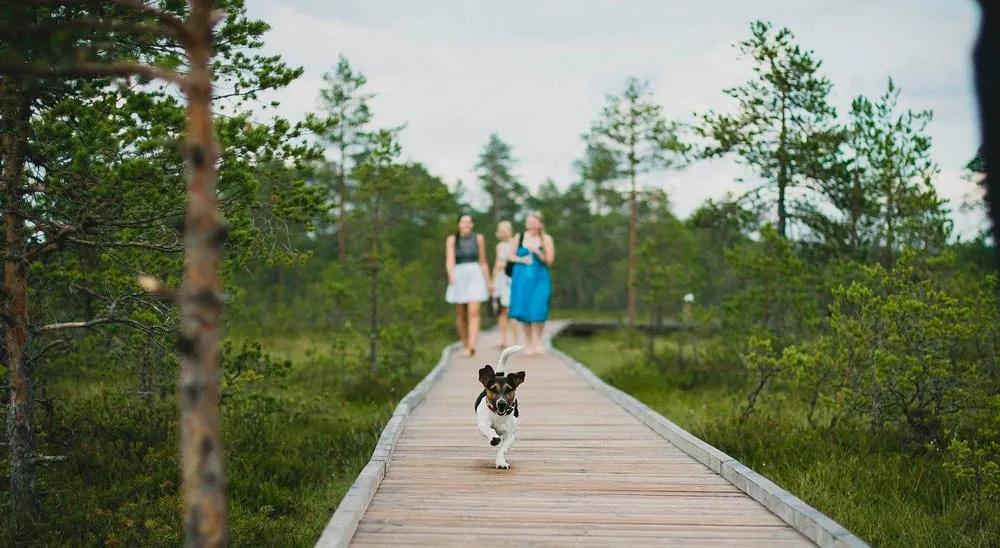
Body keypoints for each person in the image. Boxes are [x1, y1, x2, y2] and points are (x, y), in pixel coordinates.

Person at [508, 211, 554, 355]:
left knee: (539, 308)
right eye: (529, 223)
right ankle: (529, 342)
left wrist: (538, 253)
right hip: (521, 278)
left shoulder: (546, 239)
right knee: (525, 309)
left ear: (540, 224)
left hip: (540, 277)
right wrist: (521, 259)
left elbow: (550, 261)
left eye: (535, 223)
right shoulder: (519, 237)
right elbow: (510, 256)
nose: (532, 226)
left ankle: (537, 339)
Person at [445, 214, 492, 357]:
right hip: (459, 274)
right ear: (458, 224)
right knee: (461, 314)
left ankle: (472, 344)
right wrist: (451, 275)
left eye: (468, 222)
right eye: (463, 222)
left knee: (474, 311)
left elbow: (483, 261)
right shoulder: (452, 240)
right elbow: (450, 259)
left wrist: (488, 281)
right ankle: (464, 342)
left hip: (475, 273)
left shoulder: (478, 238)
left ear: (472, 225)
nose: (465, 225)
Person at [491, 221, 519, 348]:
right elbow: (497, 264)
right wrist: (492, 281)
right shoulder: (499, 246)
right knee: (501, 311)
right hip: (500, 279)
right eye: (500, 230)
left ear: (510, 230)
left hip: (511, 278)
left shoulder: (516, 243)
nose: (503, 233)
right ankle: (503, 339)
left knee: (510, 310)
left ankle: (515, 340)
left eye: (505, 230)